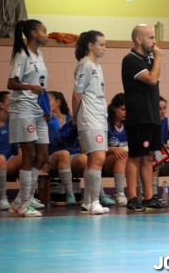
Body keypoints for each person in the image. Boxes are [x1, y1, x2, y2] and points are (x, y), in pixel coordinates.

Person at [121, 23, 169, 212]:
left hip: (152, 115)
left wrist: (154, 59)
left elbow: (155, 79)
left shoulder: (149, 59)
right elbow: (151, 79)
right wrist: (157, 58)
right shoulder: (130, 60)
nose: (155, 41)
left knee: (149, 157)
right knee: (135, 156)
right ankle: (132, 197)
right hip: (138, 116)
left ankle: (148, 197)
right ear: (139, 39)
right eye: (150, 37)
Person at [7, 19, 49, 217]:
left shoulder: (40, 55)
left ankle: (20, 199)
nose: (47, 34)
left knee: (42, 156)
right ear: (33, 33)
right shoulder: (21, 54)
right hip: (23, 109)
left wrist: (46, 106)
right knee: (29, 155)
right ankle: (24, 204)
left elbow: (40, 84)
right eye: (44, 31)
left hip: (38, 110)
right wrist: (29, 87)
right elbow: (11, 83)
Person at [72, 30, 109, 215]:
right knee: (98, 159)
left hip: (100, 117)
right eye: (101, 44)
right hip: (89, 118)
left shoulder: (98, 67)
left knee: (92, 161)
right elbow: (77, 94)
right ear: (90, 46)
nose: (104, 48)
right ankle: (95, 201)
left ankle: (87, 202)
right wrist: (75, 117)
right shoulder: (85, 65)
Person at [137, 96, 169, 205]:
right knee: (155, 152)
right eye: (159, 109)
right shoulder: (146, 122)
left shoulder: (168, 122)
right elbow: (146, 145)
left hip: (167, 162)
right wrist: (168, 146)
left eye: (164, 108)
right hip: (149, 162)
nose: (162, 112)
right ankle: (153, 194)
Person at [42, 91, 79, 206]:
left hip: (73, 155)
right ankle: (69, 194)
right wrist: (41, 160)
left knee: (85, 159)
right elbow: (37, 142)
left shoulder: (71, 119)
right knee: (64, 154)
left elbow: (80, 140)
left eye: (47, 100)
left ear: (57, 102)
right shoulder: (44, 120)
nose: (43, 103)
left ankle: (97, 196)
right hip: (53, 156)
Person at [103, 93, 128, 206]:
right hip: (105, 162)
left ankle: (142, 193)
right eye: (123, 109)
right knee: (122, 155)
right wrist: (113, 149)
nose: (126, 112)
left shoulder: (129, 124)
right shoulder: (105, 123)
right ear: (114, 108)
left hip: (126, 161)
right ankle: (119, 193)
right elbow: (98, 148)